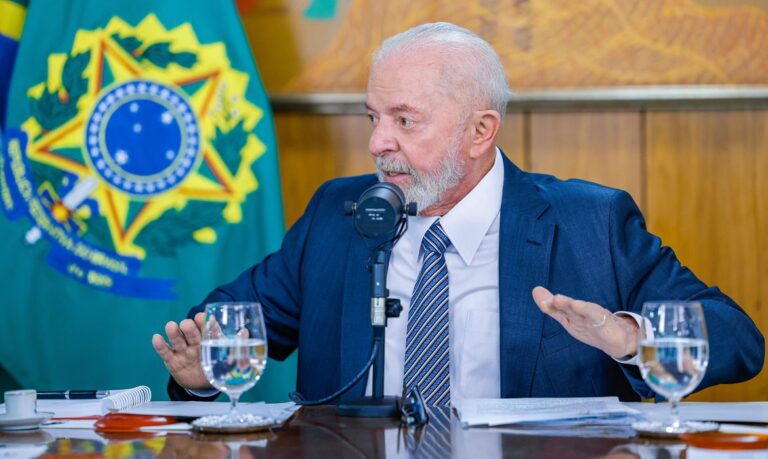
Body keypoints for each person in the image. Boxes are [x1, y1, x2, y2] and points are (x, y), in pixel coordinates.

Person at [153, 22, 764, 404]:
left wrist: (629, 338)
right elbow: (224, 332)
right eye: (373, 117)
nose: (377, 143)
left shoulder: (590, 222)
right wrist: (201, 373)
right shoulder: (336, 217)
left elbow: (738, 340)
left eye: (404, 120)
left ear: (479, 131)